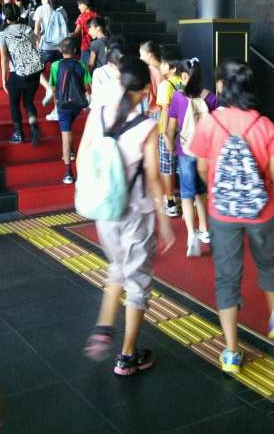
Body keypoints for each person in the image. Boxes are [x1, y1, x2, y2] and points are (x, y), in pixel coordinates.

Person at [190, 59, 274, 374]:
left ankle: (231, 352)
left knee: (227, 277)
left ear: (221, 85)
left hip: (222, 213)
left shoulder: (209, 123)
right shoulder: (263, 125)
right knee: (268, 263)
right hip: (262, 211)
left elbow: (202, 168)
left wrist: (219, 187)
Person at [79, 57, 175, 375]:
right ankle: (127, 355)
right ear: (146, 89)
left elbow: (83, 156)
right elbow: (154, 178)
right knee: (138, 284)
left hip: (106, 211)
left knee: (117, 269)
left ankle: (105, 325)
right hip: (137, 213)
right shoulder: (147, 127)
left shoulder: (99, 114)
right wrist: (165, 222)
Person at [166, 58, 217, 256]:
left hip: (185, 151)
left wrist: (171, 146)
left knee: (187, 193)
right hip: (205, 153)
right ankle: (204, 230)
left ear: (185, 77)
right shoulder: (210, 98)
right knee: (201, 191)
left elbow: (171, 128)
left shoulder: (178, 97)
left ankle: (190, 234)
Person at [0, 4, 43, 146]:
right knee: (28, 102)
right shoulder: (27, 28)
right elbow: (34, 46)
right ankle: (33, 126)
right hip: (34, 71)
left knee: (14, 104)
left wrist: (3, 78)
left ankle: (18, 134)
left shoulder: (3, 34)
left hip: (18, 73)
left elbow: (4, 58)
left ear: (5, 16)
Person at [49, 36, 91, 184]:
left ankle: (68, 172)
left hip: (63, 106)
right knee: (69, 129)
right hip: (78, 105)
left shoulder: (55, 65)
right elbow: (87, 86)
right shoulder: (82, 65)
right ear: (75, 50)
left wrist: (56, 105)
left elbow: (53, 87)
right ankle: (72, 152)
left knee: (65, 136)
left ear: (61, 50)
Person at [34, 0, 69, 122]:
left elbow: (36, 31)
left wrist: (36, 45)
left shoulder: (41, 9)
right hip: (59, 48)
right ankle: (56, 110)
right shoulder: (61, 10)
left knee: (35, 70)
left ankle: (48, 89)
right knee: (57, 79)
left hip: (45, 48)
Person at [156, 51, 182, 217]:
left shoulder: (165, 85)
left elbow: (165, 110)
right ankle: (189, 200)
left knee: (167, 167)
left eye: (164, 64)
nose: (161, 66)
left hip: (167, 130)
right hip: (183, 130)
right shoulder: (184, 82)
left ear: (172, 69)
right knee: (182, 166)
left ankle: (170, 202)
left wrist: (165, 134)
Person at [90, 40, 126, 111]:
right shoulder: (128, 71)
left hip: (103, 111)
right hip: (122, 111)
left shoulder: (98, 72)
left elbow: (95, 98)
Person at [72, 0, 99, 65]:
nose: (78, 7)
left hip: (85, 46)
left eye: (79, 5)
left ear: (86, 4)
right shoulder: (96, 15)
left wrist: (68, 35)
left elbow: (76, 33)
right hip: (97, 45)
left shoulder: (82, 17)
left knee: (85, 67)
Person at [139, 40, 163, 118]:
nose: (140, 58)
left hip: (154, 112)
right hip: (163, 110)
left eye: (141, 55)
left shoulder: (150, 70)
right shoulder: (164, 68)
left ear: (149, 55)